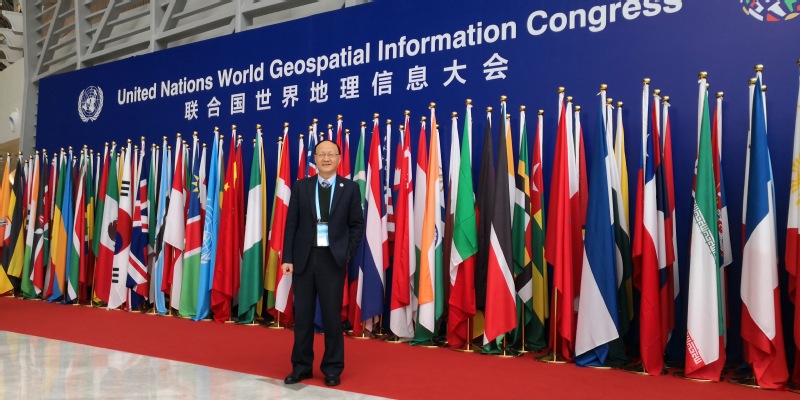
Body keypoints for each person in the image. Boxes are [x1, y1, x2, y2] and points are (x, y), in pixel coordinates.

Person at [281, 139, 364, 387]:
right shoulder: (301, 187)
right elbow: (291, 225)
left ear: (339, 159)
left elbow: (356, 225)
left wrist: (346, 253)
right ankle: (301, 367)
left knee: (331, 318)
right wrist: (288, 258)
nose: (326, 158)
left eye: (331, 154)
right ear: (315, 159)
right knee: (303, 317)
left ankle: (332, 368)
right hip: (304, 259)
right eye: (321, 154)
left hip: (332, 260)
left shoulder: (350, 188)